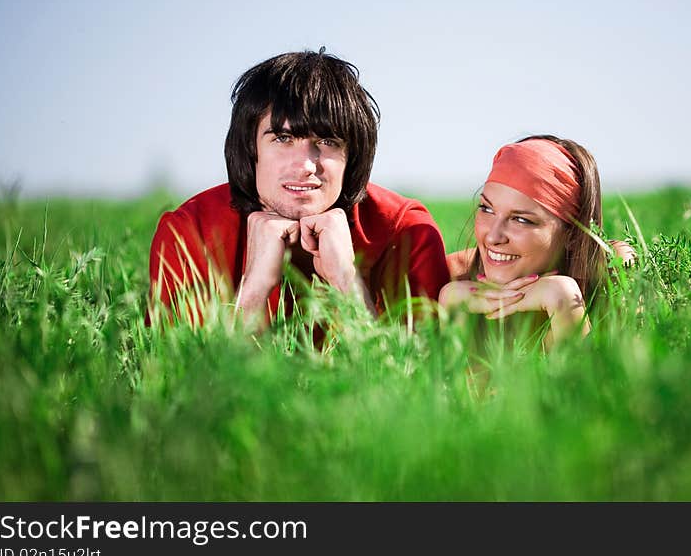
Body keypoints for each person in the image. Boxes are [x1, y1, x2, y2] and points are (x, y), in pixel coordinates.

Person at [148, 49, 450, 328]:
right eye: (282, 139)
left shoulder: (408, 233)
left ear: (353, 156)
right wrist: (254, 289)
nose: (306, 165)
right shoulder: (191, 232)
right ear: (249, 148)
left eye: (327, 142)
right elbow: (181, 381)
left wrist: (348, 283)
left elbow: (412, 381)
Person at [440, 135, 634, 346]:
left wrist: (562, 299)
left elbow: (621, 375)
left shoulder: (615, 268)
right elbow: (458, 378)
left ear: (573, 234)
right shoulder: (454, 277)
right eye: (487, 208)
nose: (493, 237)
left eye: (521, 220)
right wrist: (455, 307)